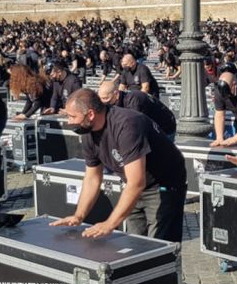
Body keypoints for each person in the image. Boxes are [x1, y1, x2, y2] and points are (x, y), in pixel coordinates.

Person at [49, 89, 186, 241]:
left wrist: (110, 224)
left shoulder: (127, 125)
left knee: (160, 244)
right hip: (134, 185)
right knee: (136, 242)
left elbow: (137, 182)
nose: (69, 122)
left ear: (91, 114)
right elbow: (92, 178)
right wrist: (78, 215)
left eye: (72, 116)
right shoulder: (88, 133)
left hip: (163, 183)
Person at [97, 80, 176, 141]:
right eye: (100, 98)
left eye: (105, 98)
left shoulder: (134, 100)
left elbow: (134, 126)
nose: (103, 102)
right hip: (150, 126)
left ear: (116, 94)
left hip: (164, 126)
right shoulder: (114, 101)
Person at [210, 70, 237, 146]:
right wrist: (219, 138)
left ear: (234, 84)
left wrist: (235, 138)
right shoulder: (219, 91)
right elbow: (219, 114)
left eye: (229, 93)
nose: (227, 97)